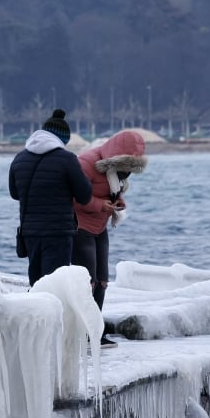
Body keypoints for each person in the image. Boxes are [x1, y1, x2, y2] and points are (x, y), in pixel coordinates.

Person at [9, 109, 91, 285]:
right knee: (55, 284)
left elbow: (14, 193)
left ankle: (35, 312)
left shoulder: (19, 158)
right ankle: (53, 313)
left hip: (29, 232)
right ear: (62, 139)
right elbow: (85, 196)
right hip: (58, 233)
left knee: (36, 282)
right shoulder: (67, 159)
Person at [72, 129, 148, 314]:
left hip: (100, 228)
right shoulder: (85, 163)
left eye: (131, 167)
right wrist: (99, 205)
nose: (127, 171)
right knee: (88, 281)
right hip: (80, 227)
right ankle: (84, 329)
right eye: (125, 165)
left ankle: (96, 328)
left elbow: (111, 190)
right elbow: (72, 196)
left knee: (102, 280)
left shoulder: (116, 171)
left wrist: (118, 201)